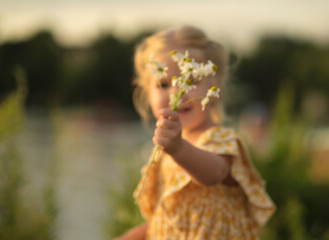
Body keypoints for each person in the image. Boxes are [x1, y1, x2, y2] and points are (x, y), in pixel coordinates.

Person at [114, 25, 276, 240]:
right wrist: (137, 235)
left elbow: (213, 174)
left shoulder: (218, 138)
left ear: (214, 87)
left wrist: (178, 148)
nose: (176, 91)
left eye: (190, 79)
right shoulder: (166, 150)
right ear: (146, 94)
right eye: (163, 84)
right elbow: (172, 216)